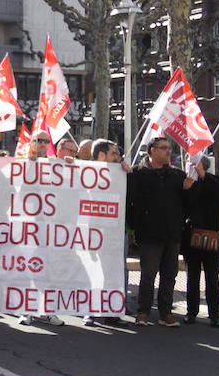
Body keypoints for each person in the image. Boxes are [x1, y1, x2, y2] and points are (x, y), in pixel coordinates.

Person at [127, 136, 202, 327]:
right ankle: (143, 311)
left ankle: (165, 312)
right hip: (150, 235)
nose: (168, 151)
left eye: (170, 148)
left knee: (169, 275)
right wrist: (137, 225)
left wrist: (189, 190)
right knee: (148, 275)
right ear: (152, 150)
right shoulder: (138, 174)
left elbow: (189, 204)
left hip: (173, 234)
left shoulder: (176, 175)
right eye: (164, 148)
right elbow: (129, 202)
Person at [18, 129, 65, 327]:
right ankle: (25, 310)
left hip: (51, 228)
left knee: (49, 270)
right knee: (28, 269)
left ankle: (48, 310)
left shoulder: (56, 165)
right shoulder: (20, 164)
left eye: (46, 141)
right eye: (39, 140)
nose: (43, 144)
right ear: (31, 142)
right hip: (28, 227)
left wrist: (71, 165)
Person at [83, 139, 132, 327]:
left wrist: (130, 176)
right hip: (92, 232)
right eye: (114, 153)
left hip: (116, 233)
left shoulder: (121, 174)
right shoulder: (83, 173)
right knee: (92, 272)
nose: (118, 157)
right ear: (102, 155)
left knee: (114, 273)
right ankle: (90, 311)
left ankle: (112, 312)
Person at [183, 155, 219, 328]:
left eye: (193, 165)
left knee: (212, 277)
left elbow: (214, 191)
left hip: (212, 238)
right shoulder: (187, 183)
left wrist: (201, 176)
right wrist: (187, 188)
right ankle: (191, 312)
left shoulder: (213, 181)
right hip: (192, 238)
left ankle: (214, 315)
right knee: (192, 277)